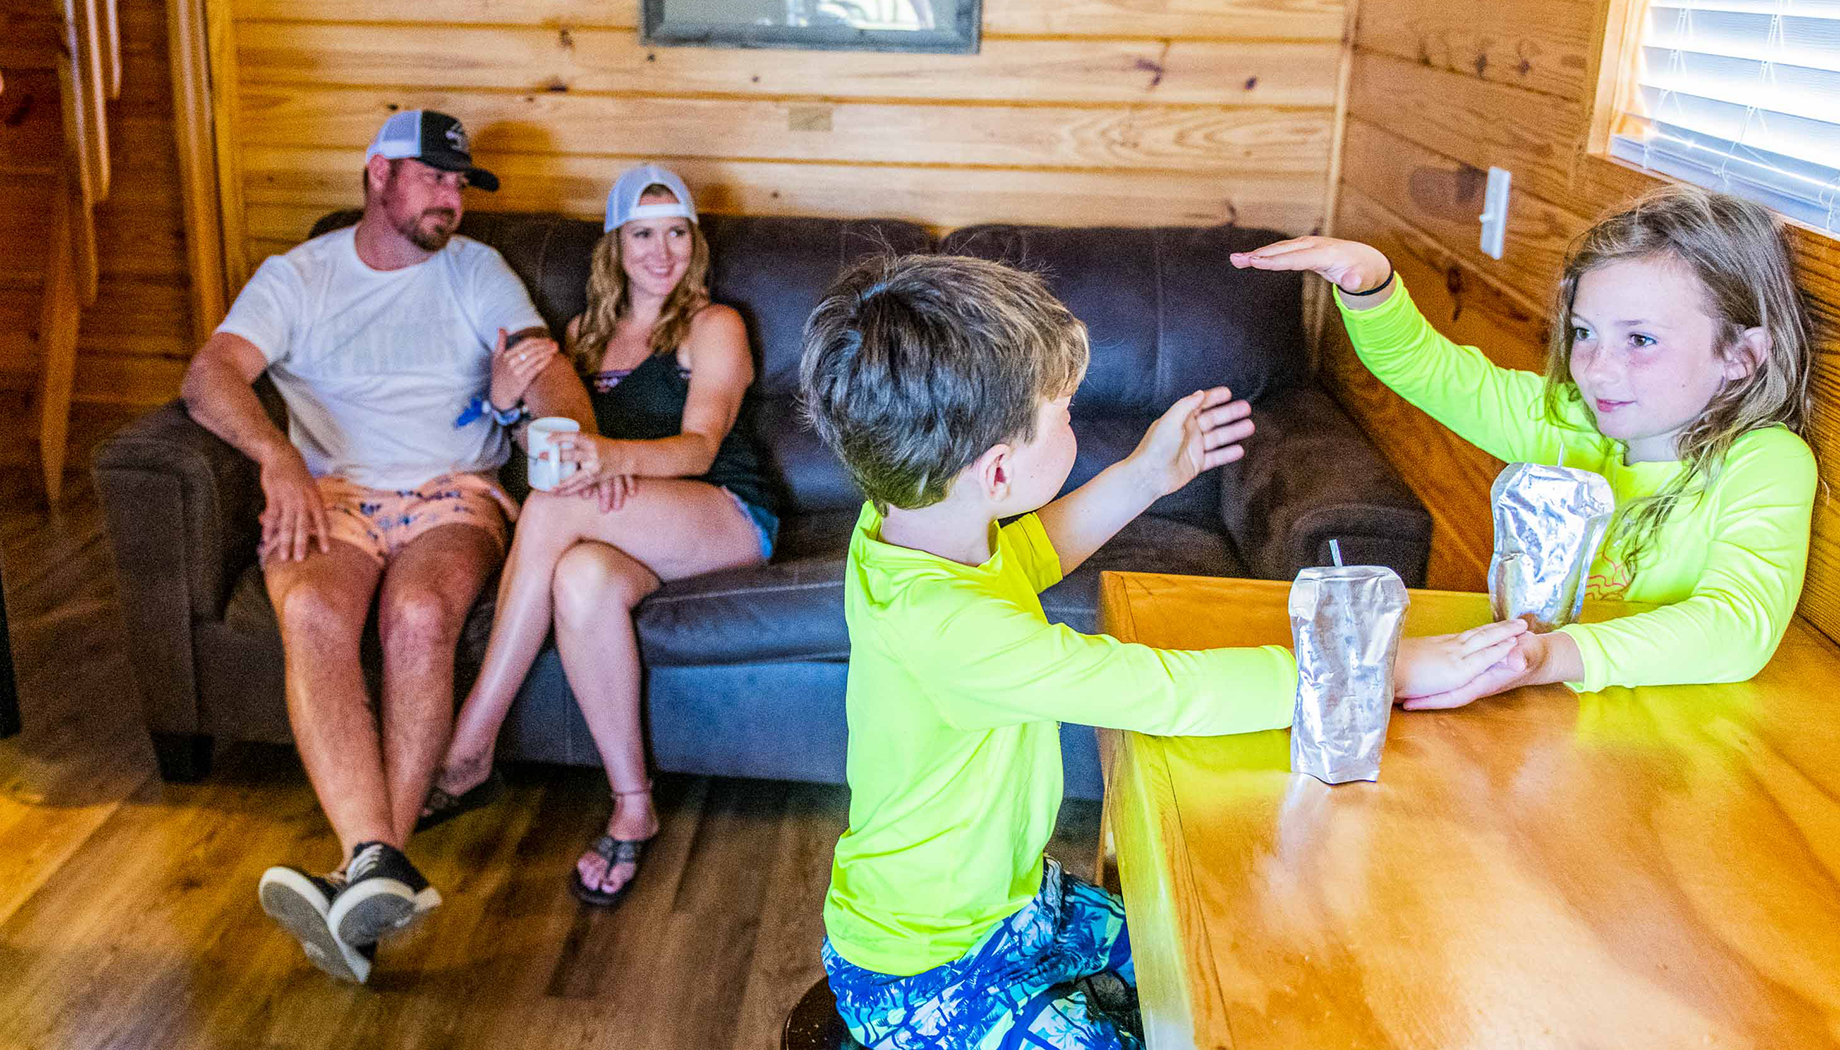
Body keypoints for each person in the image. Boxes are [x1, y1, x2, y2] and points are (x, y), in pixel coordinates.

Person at [796, 253, 1529, 1049]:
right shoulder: (951, 630)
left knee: (1209, 954)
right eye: (1066, 412)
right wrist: (1378, 671)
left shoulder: (902, 532)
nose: (1077, 420)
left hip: (1014, 906)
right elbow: (1167, 691)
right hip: (932, 968)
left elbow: (1029, 557)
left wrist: (1146, 474)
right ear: (999, 470)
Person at [180, 110, 593, 984]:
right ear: (378, 175)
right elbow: (209, 373)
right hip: (332, 494)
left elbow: (545, 370)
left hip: (453, 493)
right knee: (315, 610)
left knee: (417, 612)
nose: (453, 198)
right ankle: (379, 866)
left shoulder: (477, 271)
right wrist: (277, 456)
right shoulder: (298, 276)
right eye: (435, 179)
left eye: (461, 184)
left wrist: (557, 438)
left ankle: (366, 865)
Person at [1232, 184, 1817, 701]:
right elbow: (1426, 368)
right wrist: (1372, 284)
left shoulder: (1764, 462)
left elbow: (1737, 628)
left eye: (1640, 339)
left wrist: (1547, 658)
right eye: (1585, 333)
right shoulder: (1566, 420)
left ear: (1741, 355)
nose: (1598, 370)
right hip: (1537, 705)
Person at [418, 164, 778, 907]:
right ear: (614, 245)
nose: (661, 251)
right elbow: (549, 452)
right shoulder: (581, 335)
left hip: (722, 511)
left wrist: (608, 462)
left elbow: (702, 446)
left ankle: (469, 747)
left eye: (677, 233)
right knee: (578, 577)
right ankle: (633, 804)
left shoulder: (715, 325)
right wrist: (510, 409)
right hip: (628, 524)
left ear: (694, 244)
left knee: (554, 512)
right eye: (643, 233)